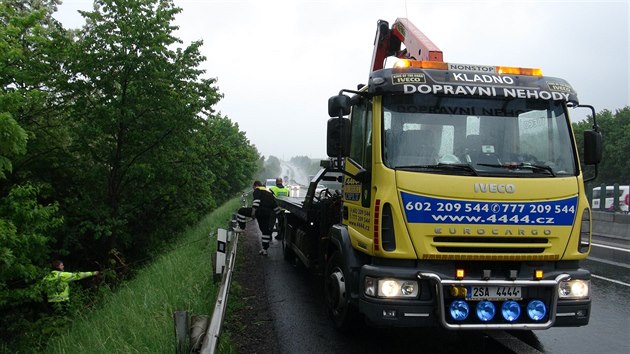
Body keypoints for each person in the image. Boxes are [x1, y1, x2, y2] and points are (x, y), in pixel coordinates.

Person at [235, 180, 281, 256]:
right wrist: (279, 215)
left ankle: (241, 228)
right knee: (265, 231)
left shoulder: (257, 190)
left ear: (256, 185)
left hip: (259, 211)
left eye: (253, 187)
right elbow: (274, 205)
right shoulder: (269, 192)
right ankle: (265, 249)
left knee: (241, 211)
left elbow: (256, 201)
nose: (253, 189)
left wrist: (253, 212)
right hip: (267, 213)